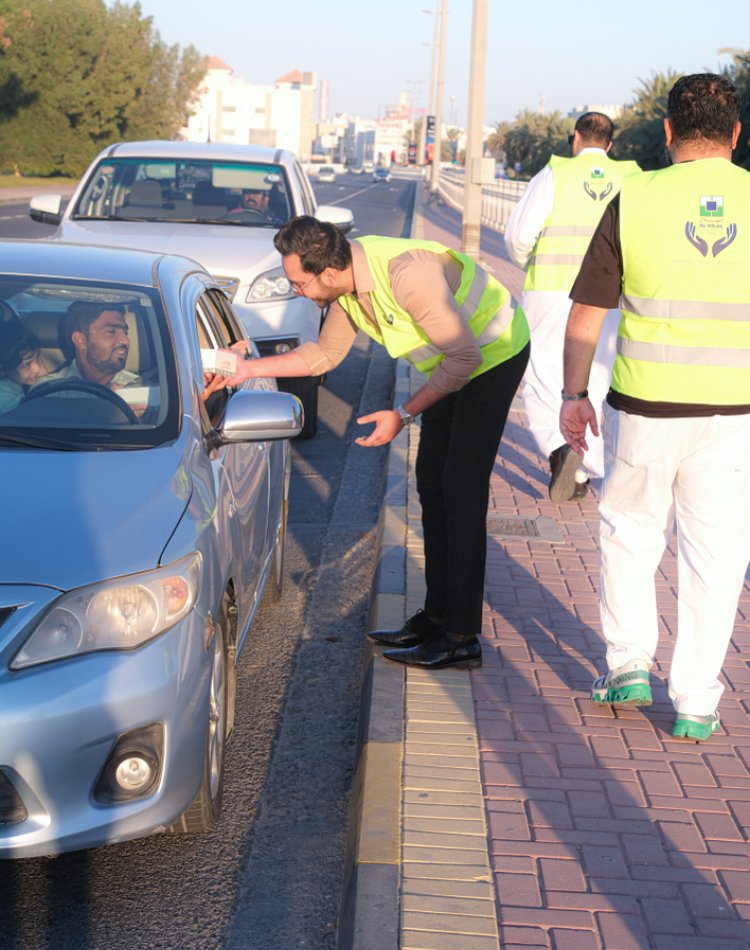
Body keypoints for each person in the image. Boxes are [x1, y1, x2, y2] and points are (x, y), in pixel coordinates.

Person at [209, 215, 530, 670]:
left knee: (460, 490)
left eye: (298, 283)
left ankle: (460, 636)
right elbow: (324, 354)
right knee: (432, 485)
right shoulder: (349, 288)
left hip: (492, 354)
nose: (295, 291)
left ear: (330, 271)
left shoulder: (407, 276)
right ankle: (435, 618)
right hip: (453, 361)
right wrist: (245, 370)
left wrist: (403, 413)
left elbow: (466, 357)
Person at [560, 72, 750, 742]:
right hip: (733, 413)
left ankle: (628, 663)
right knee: (718, 555)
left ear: (667, 132)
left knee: (631, 532)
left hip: (644, 405)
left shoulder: (632, 197)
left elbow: (587, 312)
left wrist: (573, 394)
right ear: (735, 134)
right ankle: (697, 700)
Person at [505, 113, 640, 502]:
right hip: (610, 296)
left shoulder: (553, 175)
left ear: (576, 138)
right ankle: (586, 464)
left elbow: (518, 236)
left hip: (550, 290)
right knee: (598, 377)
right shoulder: (631, 178)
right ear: (610, 145)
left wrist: (528, 263)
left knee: (542, 373)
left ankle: (559, 445)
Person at [46, 302, 140, 390]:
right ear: (80, 340)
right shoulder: (49, 390)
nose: (125, 340)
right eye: (111, 331)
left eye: (125, 332)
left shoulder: (140, 390)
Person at [0, 319, 50, 412]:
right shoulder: (7, 402)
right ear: (3, 369)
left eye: (37, 359)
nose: (37, 369)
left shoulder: (12, 384)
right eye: (27, 364)